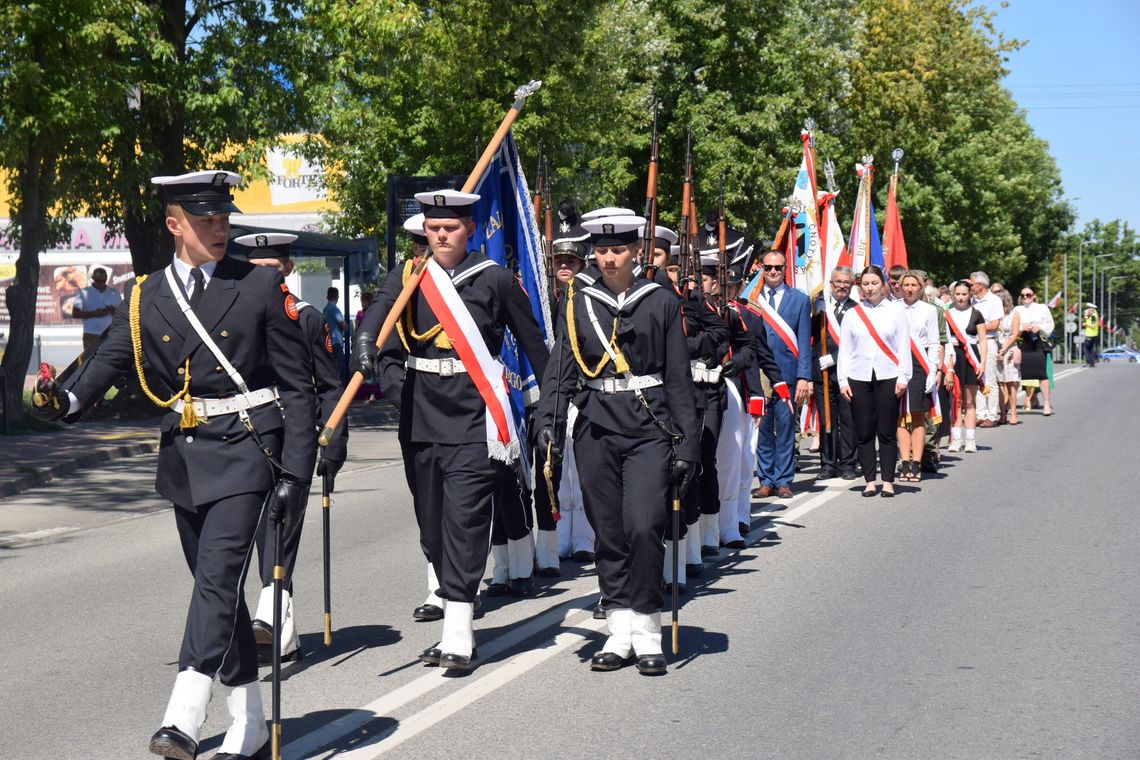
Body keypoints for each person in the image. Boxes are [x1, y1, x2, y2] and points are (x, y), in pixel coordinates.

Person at [34, 170, 316, 760]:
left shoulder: (258, 285)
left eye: (224, 218)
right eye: (206, 219)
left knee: (217, 578)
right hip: (186, 457)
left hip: (248, 449)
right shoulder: (146, 294)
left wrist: (297, 473)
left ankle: (183, 716)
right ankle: (250, 721)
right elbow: (108, 361)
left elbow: (298, 388)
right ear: (174, 225)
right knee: (220, 592)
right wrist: (65, 400)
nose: (220, 228)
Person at [353, 188, 548, 670]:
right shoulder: (409, 276)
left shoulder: (494, 278)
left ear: (470, 230)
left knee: (465, 519)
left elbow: (534, 345)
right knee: (432, 523)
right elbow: (379, 315)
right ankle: (451, 604)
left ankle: (458, 631)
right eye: (434, 228)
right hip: (420, 412)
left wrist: (550, 408)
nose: (441, 235)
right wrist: (369, 348)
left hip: (474, 414)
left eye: (451, 227)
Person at [536, 214, 700, 675]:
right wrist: (549, 422)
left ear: (636, 252)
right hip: (596, 426)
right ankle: (620, 629)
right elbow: (562, 367)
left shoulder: (659, 301)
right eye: (602, 251)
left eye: (619, 250)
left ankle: (647, 629)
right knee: (607, 531)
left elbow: (678, 377)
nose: (609, 258)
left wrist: (688, 445)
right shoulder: (578, 301)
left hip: (649, 426)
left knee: (644, 526)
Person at [233, 232, 348, 666]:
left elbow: (330, 386)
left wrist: (333, 441)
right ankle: (285, 635)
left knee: (278, 527)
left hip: (292, 435)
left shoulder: (307, 318)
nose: (263, 277)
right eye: (255, 269)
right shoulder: (236, 314)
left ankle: (270, 619)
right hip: (247, 435)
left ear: (288, 268)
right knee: (255, 534)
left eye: (272, 268)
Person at [837, 265, 911, 497]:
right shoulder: (852, 314)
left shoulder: (896, 311)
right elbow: (845, 350)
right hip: (858, 377)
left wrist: (903, 376)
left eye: (874, 283)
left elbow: (903, 346)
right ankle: (870, 480)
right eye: (865, 284)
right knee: (864, 432)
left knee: (886, 431)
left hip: (888, 376)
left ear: (883, 285)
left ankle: (888, 481)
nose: (870, 288)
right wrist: (842, 380)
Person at [751, 249, 812, 499]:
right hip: (760, 375)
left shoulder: (800, 299)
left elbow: (804, 342)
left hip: (788, 374)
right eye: (768, 267)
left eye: (778, 267)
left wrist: (804, 376)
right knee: (763, 429)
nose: (773, 271)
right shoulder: (752, 299)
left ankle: (784, 480)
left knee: (786, 430)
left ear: (785, 269)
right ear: (761, 269)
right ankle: (766, 480)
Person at [811, 266, 859, 480]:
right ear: (830, 284)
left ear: (852, 285)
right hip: (822, 372)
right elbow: (807, 335)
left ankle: (848, 464)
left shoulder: (857, 310)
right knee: (826, 420)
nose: (841, 286)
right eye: (838, 282)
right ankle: (828, 464)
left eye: (846, 282)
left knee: (848, 420)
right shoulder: (819, 307)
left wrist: (835, 357)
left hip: (848, 374)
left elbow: (858, 344)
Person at [895, 271, 941, 482]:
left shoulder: (928, 310)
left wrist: (933, 370)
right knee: (900, 416)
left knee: (917, 415)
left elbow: (934, 343)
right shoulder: (893, 307)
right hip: (897, 363)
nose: (910, 289)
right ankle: (904, 461)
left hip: (919, 363)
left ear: (921, 288)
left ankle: (916, 463)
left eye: (914, 285)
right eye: (906, 285)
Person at [946, 280, 988, 453]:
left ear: (970, 294)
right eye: (958, 294)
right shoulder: (946, 314)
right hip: (953, 356)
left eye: (964, 294)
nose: (961, 297)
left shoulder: (976, 314)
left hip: (971, 357)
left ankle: (970, 439)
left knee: (970, 401)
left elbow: (983, 340)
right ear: (953, 295)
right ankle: (956, 439)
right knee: (956, 400)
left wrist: (983, 363)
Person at [969, 271, 1003, 427]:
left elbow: (995, 324)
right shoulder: (972, 301)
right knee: (977, 379)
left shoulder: (994, 300)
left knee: (990, 379)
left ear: (980, 285)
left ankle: (992, 415)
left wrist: (977, 327)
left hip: (988, 342)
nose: (970, 286)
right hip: (974, 342)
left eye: (972, 284)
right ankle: (981, 413)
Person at [1014, 286, 1054, 416]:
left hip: (1038, 343)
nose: (1025, 297)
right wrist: (1022, 327)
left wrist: (1039, 327)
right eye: (1023, 295)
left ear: (1034, 295)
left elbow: (1050, 324)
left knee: (1042, 374)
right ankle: (1012, 405)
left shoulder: (1042, 308)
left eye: (1028, 295)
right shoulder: (1017, 309)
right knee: (1017, 375)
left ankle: (1046, 403)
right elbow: (1012, 326)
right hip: (1022, 342)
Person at [71, 266, 122, 358]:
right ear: (93, 279)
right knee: (90, 360)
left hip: (110, 334)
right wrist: (94, 313)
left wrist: (113, 311)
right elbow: (75, 314)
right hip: (91, 334)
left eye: (103, 280)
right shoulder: (84, 292)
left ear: (106, 279)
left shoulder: (114, 293)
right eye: (98, 281)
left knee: (109, 360)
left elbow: (121, 315)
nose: (101, 283)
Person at [994, 290, 1021, 425]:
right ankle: (1002, 414)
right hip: (995, 348)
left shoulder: (1014, 314)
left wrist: (1004, 349)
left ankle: (1013, 413)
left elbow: (1015, 334)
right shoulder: (993, 315)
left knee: (1010, 383)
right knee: (999, 383)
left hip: (1009, 348)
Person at [323, 287, 348, 380]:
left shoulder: (325, 309)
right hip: (336, 342)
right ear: (337, 296)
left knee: (332, 369)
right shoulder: (334, 309)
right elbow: (344, 325)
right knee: (341, 371)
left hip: (329, 342)